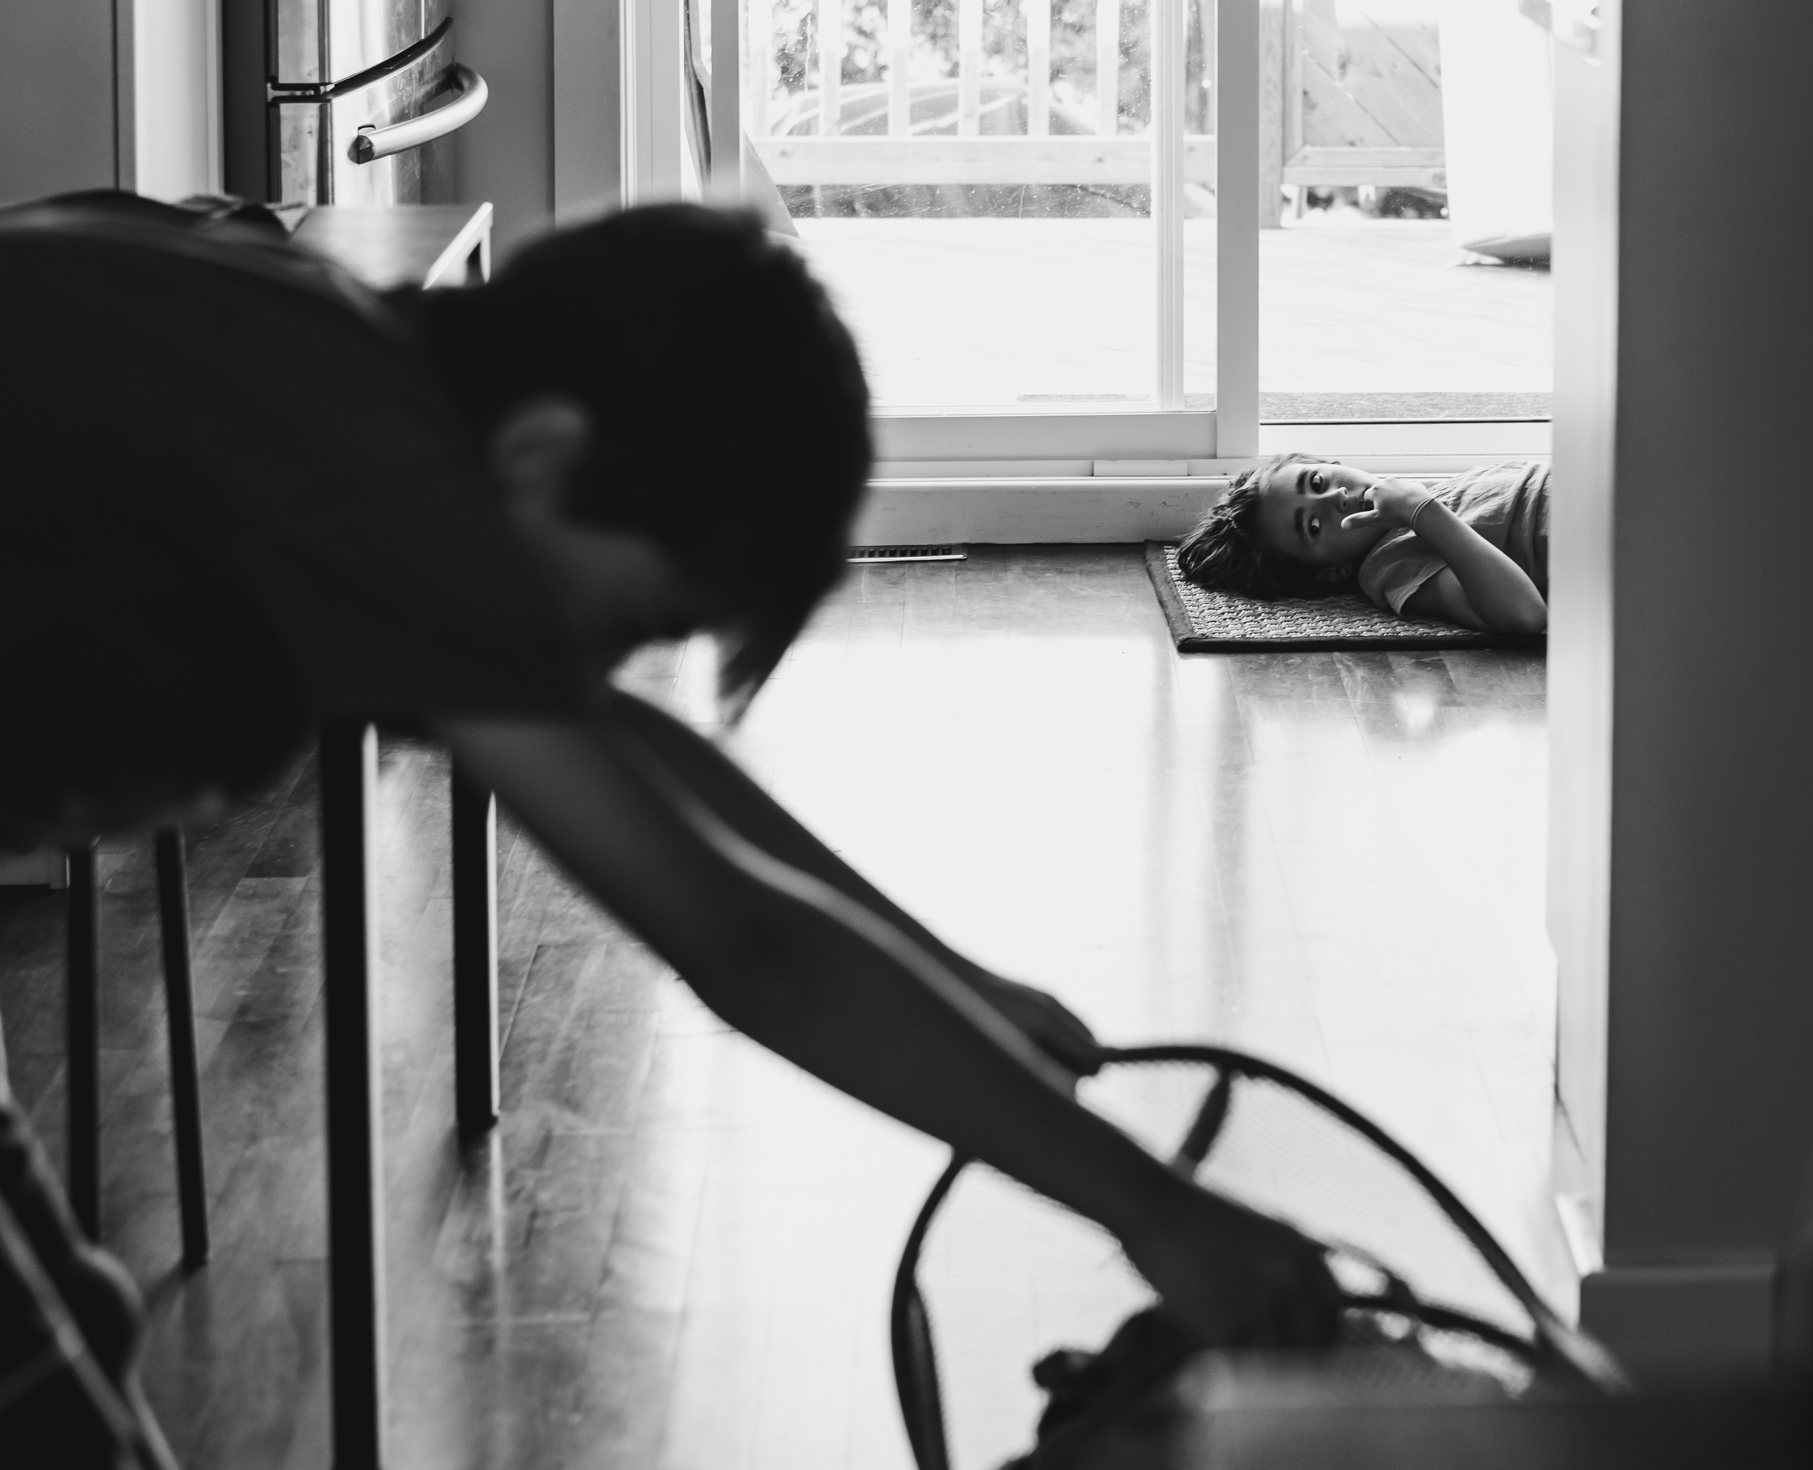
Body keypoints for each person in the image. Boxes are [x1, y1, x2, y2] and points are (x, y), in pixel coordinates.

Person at [0, 194, 1344, 1377]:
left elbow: (633, 753)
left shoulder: (343, 376)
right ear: (542, 454)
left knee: (74, 1328)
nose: (606, 663)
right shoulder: (374, 483)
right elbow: (748, 947)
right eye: (636, 614)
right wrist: (1152, 1209)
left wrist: (961, 984)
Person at [1176, 456, 1550, 635]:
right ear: (1332, 571)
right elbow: (1523, 616)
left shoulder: (1426, 496)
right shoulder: (1390, 563)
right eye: (1315, 525)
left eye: (1318, 481)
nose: (1338, 495)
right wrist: (1421, 511)